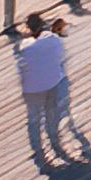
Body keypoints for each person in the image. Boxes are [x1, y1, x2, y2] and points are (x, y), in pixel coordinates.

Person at [15, 10, 77, 162]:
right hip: (52, 83)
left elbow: (22, 67)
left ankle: (39, 153)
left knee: (34, 119)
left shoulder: (24, 46)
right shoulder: (54, 40)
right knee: (51, 115)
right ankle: (56, 144)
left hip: (31, 88)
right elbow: (61, 59)